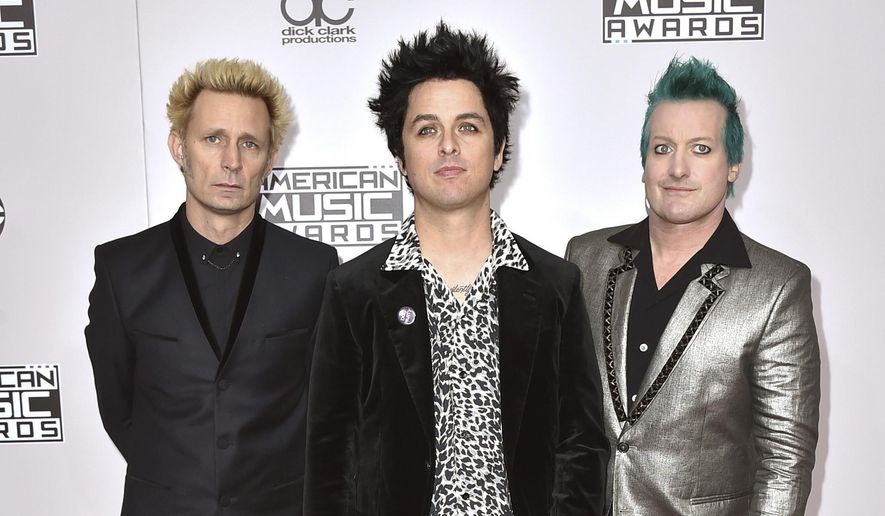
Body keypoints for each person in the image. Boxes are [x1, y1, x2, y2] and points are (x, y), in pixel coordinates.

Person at [304, 22, 608, 516]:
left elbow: (582, 446)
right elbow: (329, 460)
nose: (448, 145)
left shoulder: (555, 285)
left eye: (468, 127)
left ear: (499, 148)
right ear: (401, 156)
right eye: (427, 129)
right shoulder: (354, 290)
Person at [566, 57, 820, 515]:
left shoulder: (777, 287)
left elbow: (785, 463)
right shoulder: (586, 259)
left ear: (733, 165)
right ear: (644, 162)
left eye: (701, 149)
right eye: (662, 148)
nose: (678, 169)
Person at [85, 58, 338, 516]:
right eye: (213, 139)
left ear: (271, 158)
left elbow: (327, 410)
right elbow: (119, 411)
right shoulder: (122, 270)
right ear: (178, 147)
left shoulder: (314, 269)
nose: (231, 162)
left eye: (249, 143)